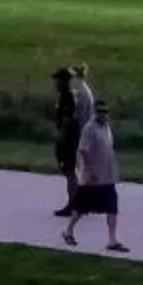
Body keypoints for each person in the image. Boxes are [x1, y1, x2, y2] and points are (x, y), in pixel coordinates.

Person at [63, 99, 126, 253]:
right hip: (93, 177)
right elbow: (83, 151)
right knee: (81, 206)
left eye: (105, 112)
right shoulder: (90, 129)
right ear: (94, 112)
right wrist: (90, 171)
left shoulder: (106, 127)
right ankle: (69, 230)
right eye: (100, 112)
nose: (103, 115)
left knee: (112, 206)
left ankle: (112, 239)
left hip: (106, 175)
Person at [51, 66, 94, 218]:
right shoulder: (82, 92)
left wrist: (62, 138)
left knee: (70, 172)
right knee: (76, 172)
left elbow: (69, 120)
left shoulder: (71, 96)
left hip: (71, 138)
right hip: (79, 135)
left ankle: (74, 205)